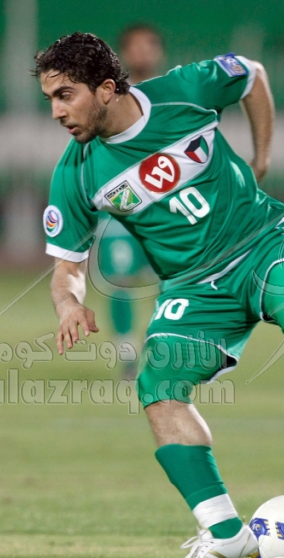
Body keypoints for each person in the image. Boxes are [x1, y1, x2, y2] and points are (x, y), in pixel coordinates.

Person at [35, 32, 284, 558]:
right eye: (50, 100)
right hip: (194, 288)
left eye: (66, 96)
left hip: (262, 242)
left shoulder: (184, 91)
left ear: (106, 89)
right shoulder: (76, 172)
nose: (57, 112)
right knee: (158, 388)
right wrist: (69, 305)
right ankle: (226, 533)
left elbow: (252, 75)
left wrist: (262, 156)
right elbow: (66, 267)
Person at [97, 24, 165, 376]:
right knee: (118, 279)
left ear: (158, 51)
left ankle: (163, 351)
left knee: (170, 282)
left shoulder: (172, 95)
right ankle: (127, 355)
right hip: (121, 206)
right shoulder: (109, 99)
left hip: (165, 207)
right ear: (123, 54)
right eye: (134, 47)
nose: (141, 53)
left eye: (147, 46)